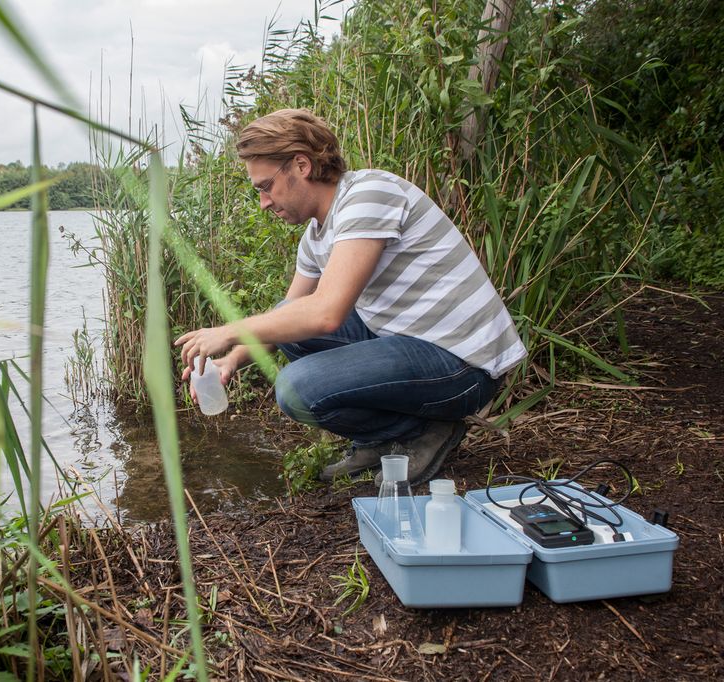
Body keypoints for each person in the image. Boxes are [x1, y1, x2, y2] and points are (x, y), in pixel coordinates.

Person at [175, 108, 526, 485]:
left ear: (301, 165)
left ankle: (421, 433)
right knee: (287, 315)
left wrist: (229, 330)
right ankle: (382, 439)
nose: (263, 202)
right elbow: (286, 319)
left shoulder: (369, 194)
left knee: (295, 387)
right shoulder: (316, 237)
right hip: (412, 346)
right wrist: (230, 362)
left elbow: (326, 313)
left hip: (462, 364)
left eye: (265, 186)